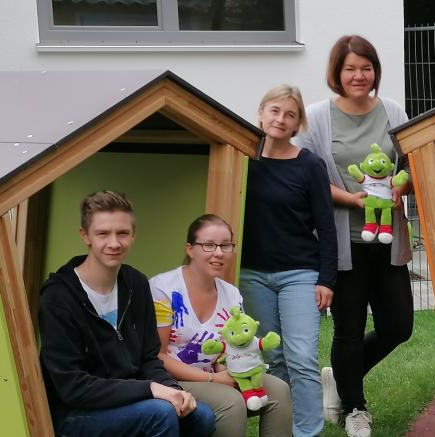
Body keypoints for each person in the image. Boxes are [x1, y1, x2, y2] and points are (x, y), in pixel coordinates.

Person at [295, 34, 413, 437]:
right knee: (347, 329)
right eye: (350, 68)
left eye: (366, 68)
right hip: (342, 244)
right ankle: (355, 407)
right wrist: (349, 198)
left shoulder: (394, 111)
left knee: (399, 326)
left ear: (375, 71)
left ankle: (340, 379)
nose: (359, 75)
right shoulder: (318, 117)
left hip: (388, 239)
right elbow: (306, 175)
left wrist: (401, 188)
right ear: (337, 73)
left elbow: (413, 167)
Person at [38, 190, 216, 437]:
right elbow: (72, 387)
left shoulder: (136, 283)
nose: (114, 243)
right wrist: (149, 389)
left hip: (128, 402)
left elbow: (149, 358)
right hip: (74, 412)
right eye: (103, 233)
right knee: (160, 414)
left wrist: (172, 389)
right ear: (85, 236)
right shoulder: (59, 296)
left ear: (133, 235)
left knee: (200, 417)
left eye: (122, 233)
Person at [238, 84, 338, 437]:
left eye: (290, 115)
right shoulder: (240, 158)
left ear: (297, 125)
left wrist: (327, 279)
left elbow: (326, 227)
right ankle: (280, 429)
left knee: (302, 357)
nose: (281, 119)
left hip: (300, 274)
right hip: (252, 274)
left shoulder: (310, 165)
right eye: (275, 111)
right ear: (261, 114)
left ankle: (307, 432)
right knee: (273, 358)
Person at [150, 214, 294, 437]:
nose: (218, 253)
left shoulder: (231, 294)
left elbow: (230, 348)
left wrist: (228, 369)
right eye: (208, 245)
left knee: (279, 390)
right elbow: (156, 355)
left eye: (226, 245)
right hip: (170, 379)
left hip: (217, 375)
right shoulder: (163, 289)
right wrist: (215, 380)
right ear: (190, 249)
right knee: (231, 402)